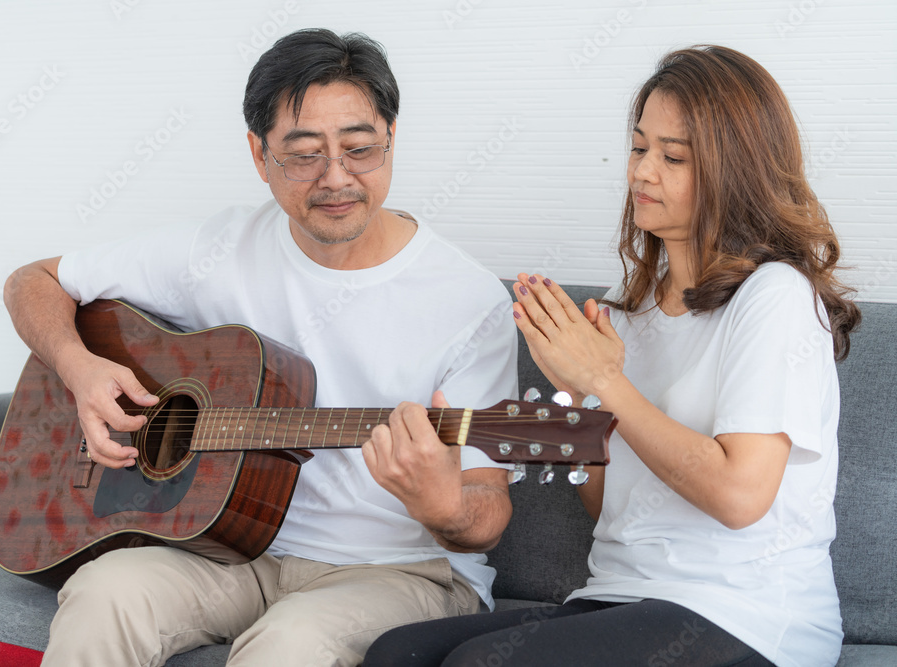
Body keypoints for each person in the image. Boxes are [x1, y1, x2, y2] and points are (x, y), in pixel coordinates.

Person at [3, 28, 518, 666]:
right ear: (258, 154)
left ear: (391, 137)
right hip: (232, 552)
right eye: (303, 155)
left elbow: (488, 508)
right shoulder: (216, 251)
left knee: (289, 645)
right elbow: (35, 280)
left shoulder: (469, 300)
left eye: (360, 148)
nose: (337, 178)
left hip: (397, 573)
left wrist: (444, 507)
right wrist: (80, 370)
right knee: (105, 592)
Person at [363, 44, 861, 667]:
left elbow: (740, 497)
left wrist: (605, 379)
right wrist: (578, 394)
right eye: (638, 147)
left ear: (738, 170)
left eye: (672, 156)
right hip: (620, 597)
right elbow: (607, 507)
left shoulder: (775, 295)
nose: (642, 172)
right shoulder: (629, 310)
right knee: (394, 655)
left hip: (747, 615)